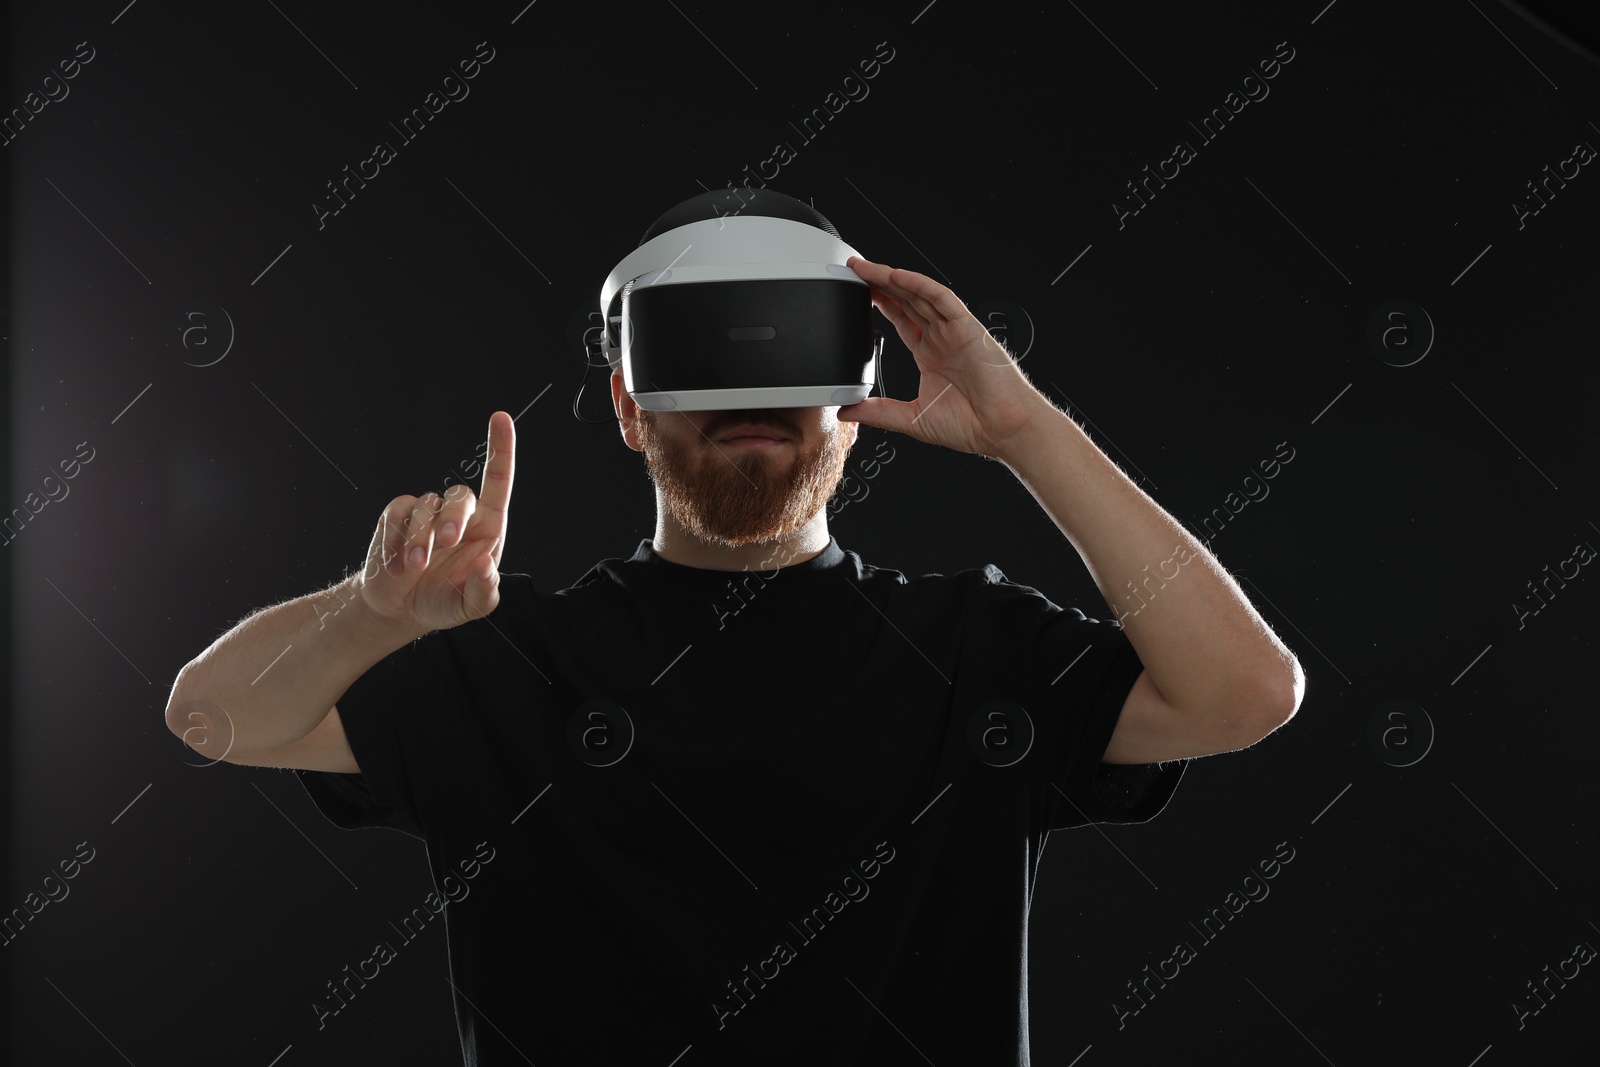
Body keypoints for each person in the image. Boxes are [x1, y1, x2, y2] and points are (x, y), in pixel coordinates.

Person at [166, 247, 1303, 1065]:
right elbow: (212, 717)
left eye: (789, 360)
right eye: (704, 358)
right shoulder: (502, 662)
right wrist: (374, 612)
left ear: (855, 399)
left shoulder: (975, 650)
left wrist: (1025, 432)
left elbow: (1245, 692)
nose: (752, 399)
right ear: (627, 403)